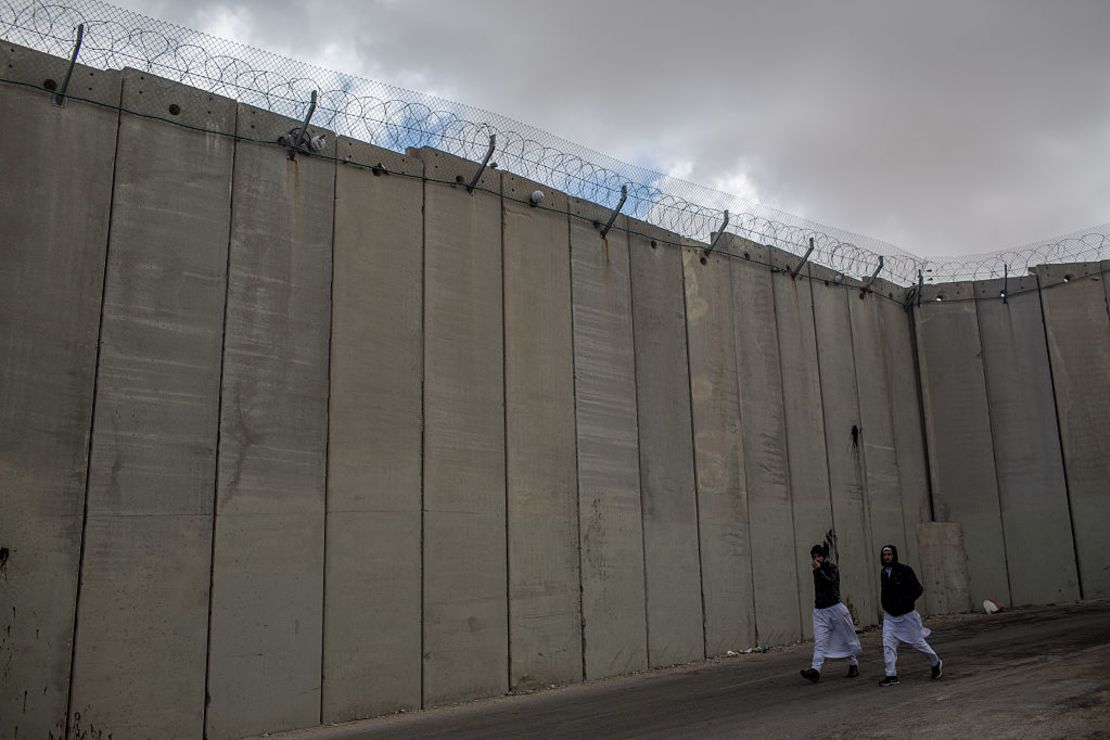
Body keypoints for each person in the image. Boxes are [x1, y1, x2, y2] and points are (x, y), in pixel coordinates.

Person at [878, 544, 942, 686]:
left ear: (894, 555)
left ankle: (935, 662)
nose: (887, 557)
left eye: (889, 555)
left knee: (917, 642)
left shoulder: (905, 570)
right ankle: (891, 675)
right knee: (888, 643)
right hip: (890, 616)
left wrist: (905, 600)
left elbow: (918, 589)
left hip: (907, 615)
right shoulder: (883, 572)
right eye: (885, 555)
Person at [800, 544, 861, 683]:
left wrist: (819, 570)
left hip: (835, 608)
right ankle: (815, 670)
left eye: (819, 556)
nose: (817, 559)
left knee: (845, 638)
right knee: (820, 641)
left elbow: (830, 583)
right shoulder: (817, 570)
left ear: (824, 556)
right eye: (814, 557)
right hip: (820, 610)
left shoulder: (832, 568)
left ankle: (853, 664)